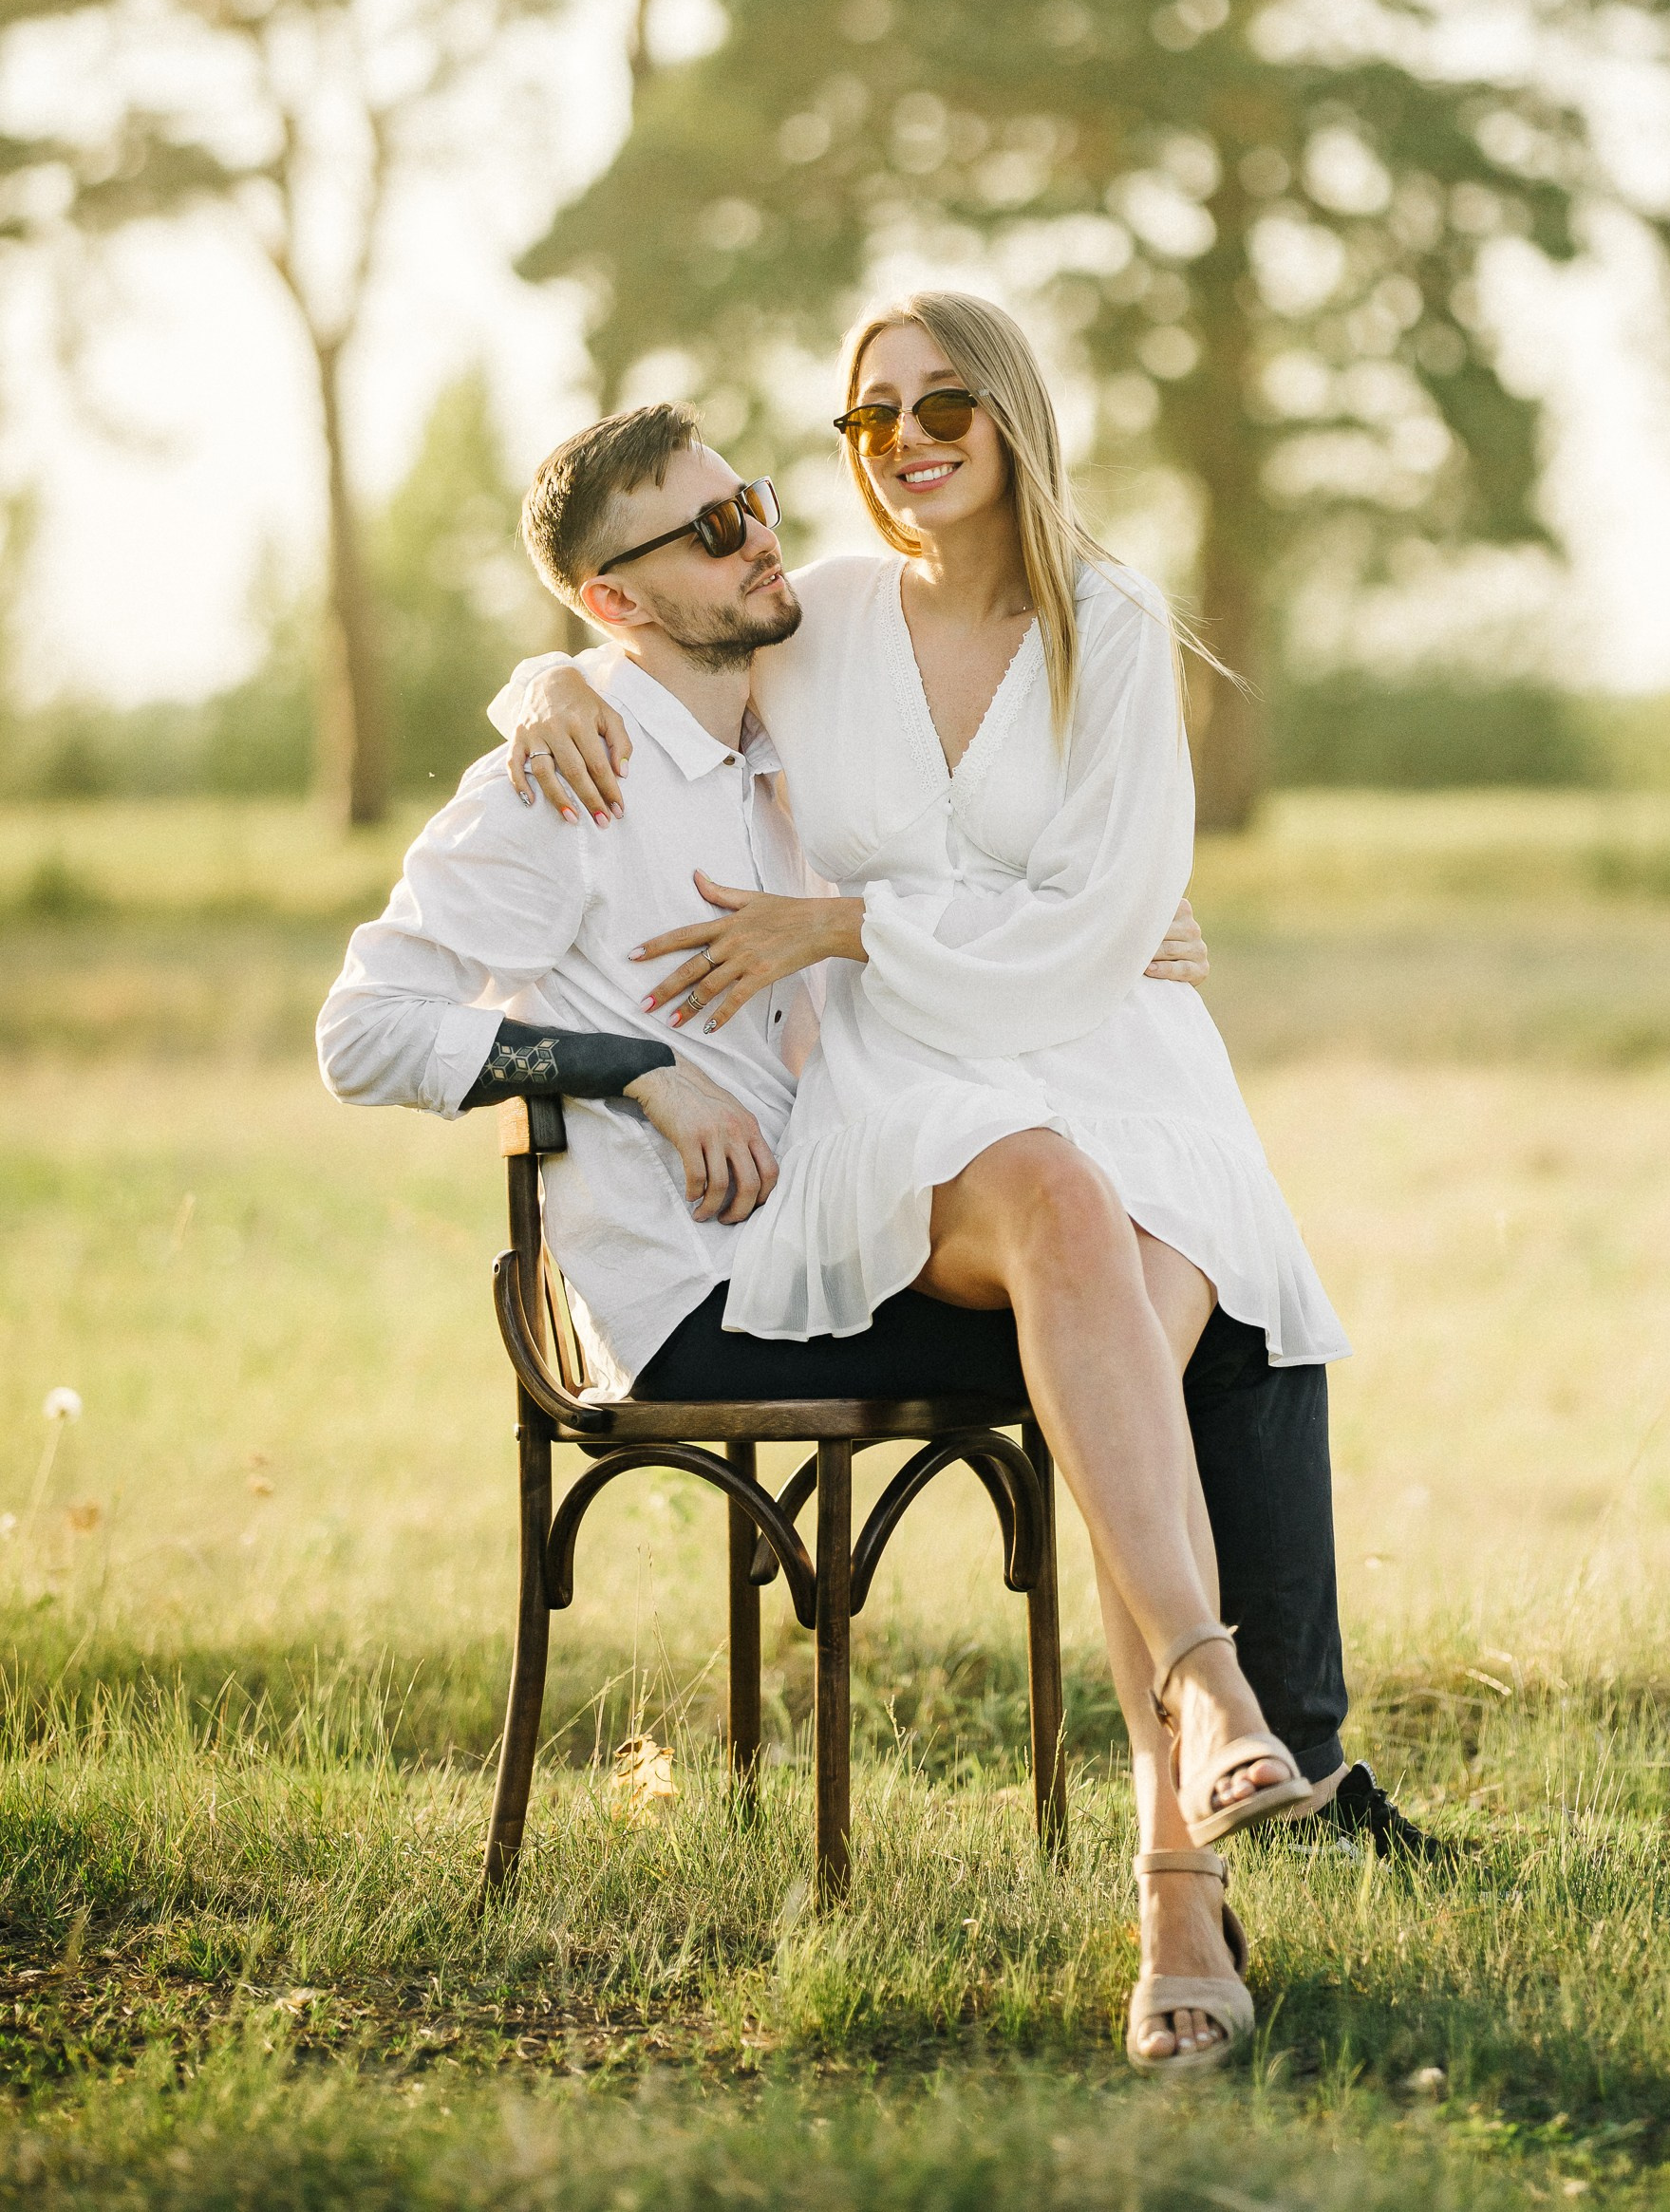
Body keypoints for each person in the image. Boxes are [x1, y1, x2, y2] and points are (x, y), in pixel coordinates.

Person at [486, 293, 1355, 2069]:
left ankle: (1176, 1888)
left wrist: (849, 924)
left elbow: (1107, 924)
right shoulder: (817, 619)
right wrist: (542, 683)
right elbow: (648, 645)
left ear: (1013, 416)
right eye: (869, 417)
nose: (904, 442)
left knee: (1140, 1316)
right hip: (919, 1091)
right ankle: (1208, 1699)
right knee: (1078, 1261)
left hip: (1126, 1069)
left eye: (943, 404)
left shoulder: (1112, 625)